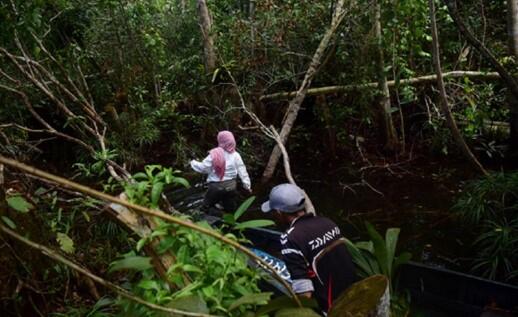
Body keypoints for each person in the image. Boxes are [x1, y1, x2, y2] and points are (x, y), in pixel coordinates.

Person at [261, 183, 357, 313]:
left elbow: (304, 291)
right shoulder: (327, 222)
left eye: (273, 211)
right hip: (355, 295)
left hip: (332, 307)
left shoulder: (290, 238)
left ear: (279, 212)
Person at [190, 130, 251, 214]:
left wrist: (193, 163)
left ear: (220, 141)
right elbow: (242, 171)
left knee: (205, 206)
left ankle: (198, 220)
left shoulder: (214, 154)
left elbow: (203, 168)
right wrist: (247, 185)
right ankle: (229, 224)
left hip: (216, 187)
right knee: (229, 208)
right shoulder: (236, 155)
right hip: (231, 186)